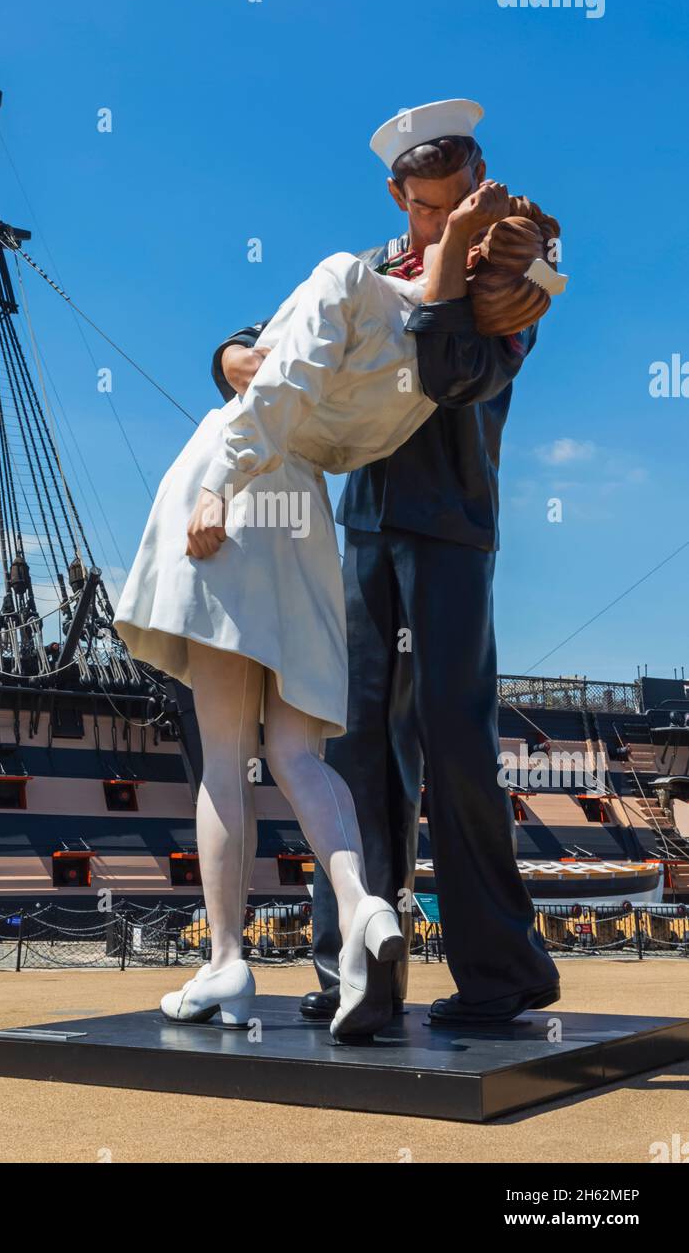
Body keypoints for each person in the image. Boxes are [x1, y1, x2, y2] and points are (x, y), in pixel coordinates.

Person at [115, 116, 565, 1036]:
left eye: (452, 205)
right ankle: (351, 964)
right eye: (422, 208)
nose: (436, 224)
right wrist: (229, 356)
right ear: (399, 198)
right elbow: (276, 340)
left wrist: (453, 272)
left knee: (457, 742)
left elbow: (453, 370)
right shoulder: (369, 265)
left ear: (478, 181)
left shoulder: (510, 278)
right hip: (358, 525)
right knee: (352, 745)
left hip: (450, 526)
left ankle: (499, 975)